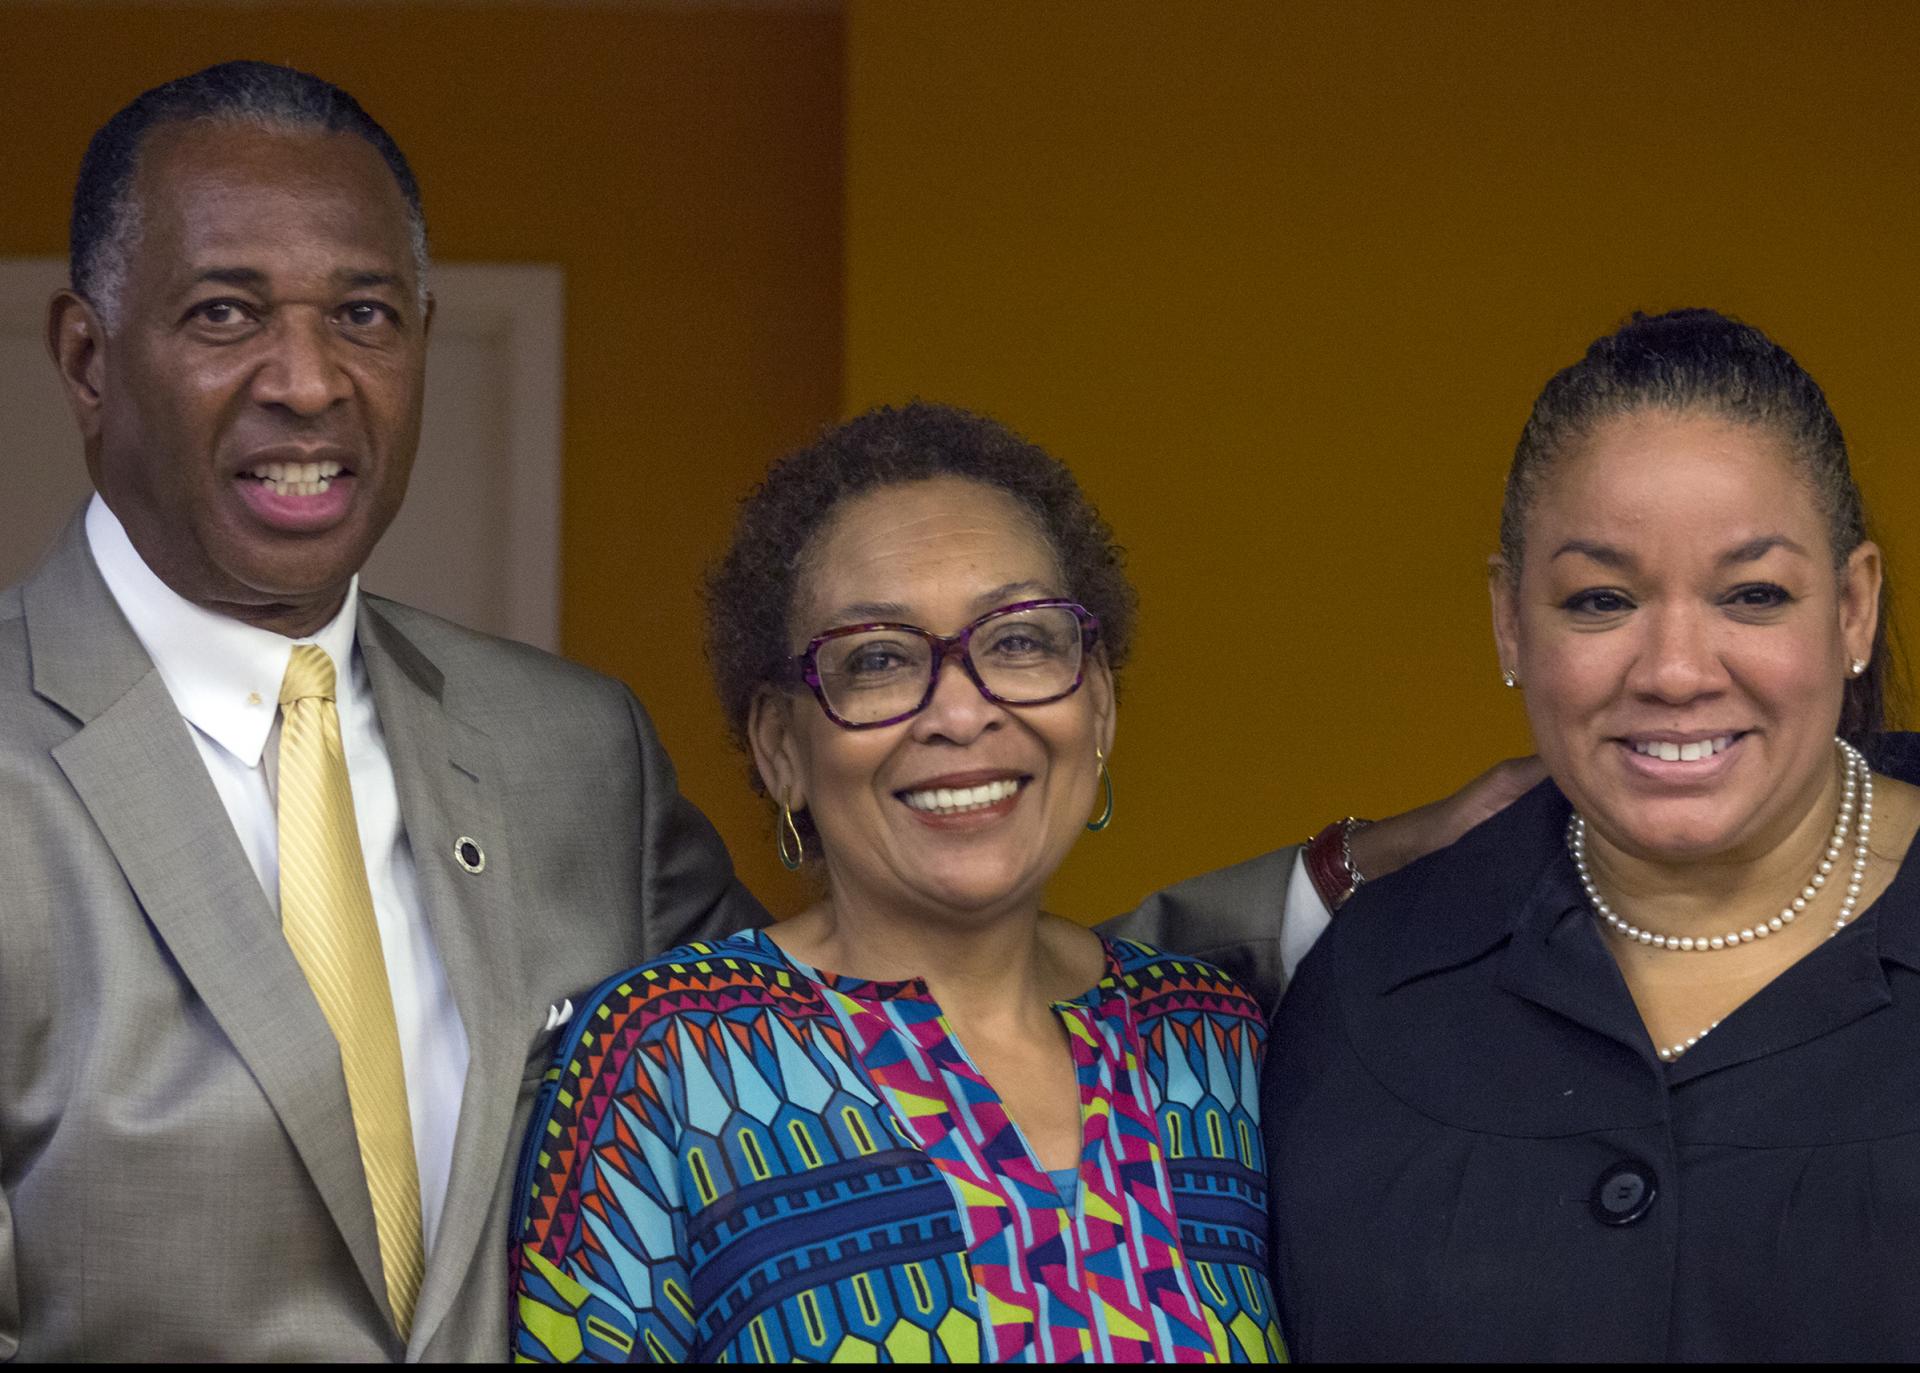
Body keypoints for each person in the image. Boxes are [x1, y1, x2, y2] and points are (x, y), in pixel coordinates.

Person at [0, 62, 759, 1361]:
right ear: (87, 359)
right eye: (226, 313)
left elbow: (825, 1071)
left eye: (361, 313)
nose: (308, 381)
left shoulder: (579, 755)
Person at [507, 403, 1533, 1362]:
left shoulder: (1215, 1041)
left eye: (1020, 640)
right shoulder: (661, 1061)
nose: (961, 711)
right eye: (878, 658)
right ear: (781, 746)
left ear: (1098, 710)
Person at [1263, 308, 1920, 1360]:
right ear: (1510, 619)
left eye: (1753, 594)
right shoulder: (1370, 990)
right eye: (1602, 598)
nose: (1674, 669)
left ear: (1851, 607)